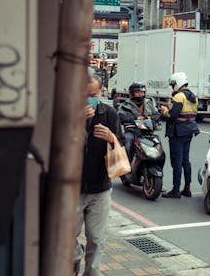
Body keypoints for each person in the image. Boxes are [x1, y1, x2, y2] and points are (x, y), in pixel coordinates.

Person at [74, 74, 123, 276]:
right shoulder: (70, 113)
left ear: (101, 93)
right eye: (84, 95)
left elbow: (121, 145)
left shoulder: (109, 114)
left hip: (100, 189)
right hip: (73, 189)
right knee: (68, 238)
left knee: (96, 239)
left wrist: (111, 138)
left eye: (93, 95)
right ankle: (74, 262)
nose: (89, 99)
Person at [161, 72, 200, 198]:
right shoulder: (193, 97)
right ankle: (187, 188)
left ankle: (176, 190)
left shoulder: (179, 97)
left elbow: (172, 115)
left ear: (177, 83)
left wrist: (165, 111)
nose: (172, 87)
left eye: (173, 85)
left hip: (177, 133)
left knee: (176, 162)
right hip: (188, 131)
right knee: (185, 161)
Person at [117, 82, 161, 161]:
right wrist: (135, 118)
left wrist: (150, 118)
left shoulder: (149, 102)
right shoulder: (125, 105)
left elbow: (157, 115)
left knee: (158, 146)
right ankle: (127, 166)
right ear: (132, 94)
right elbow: (120, 117)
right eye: (137, 92)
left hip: (148, 133)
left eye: (142, 92)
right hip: (132, 132)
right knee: (127, 141)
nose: (140, 94)